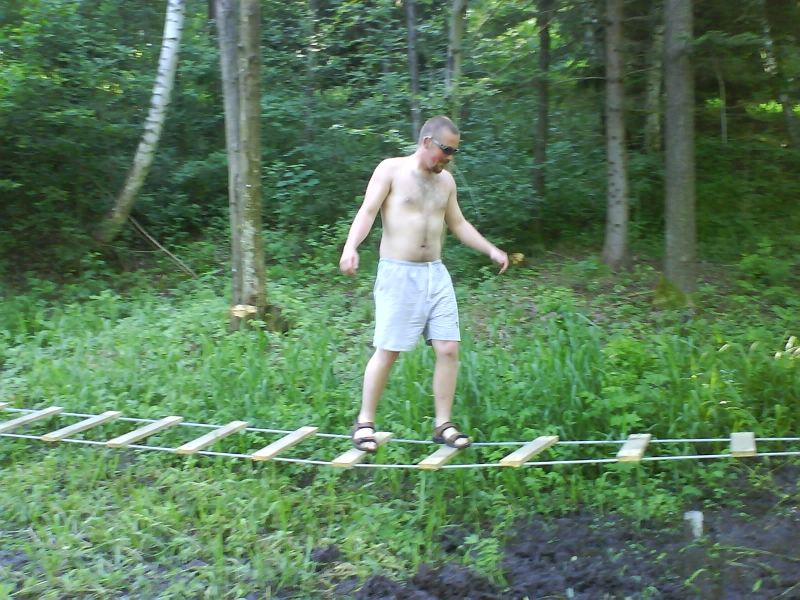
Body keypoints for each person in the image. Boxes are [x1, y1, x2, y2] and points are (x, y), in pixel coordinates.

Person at [338, 115, 509, 452]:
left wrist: (491, 249)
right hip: (398, 273)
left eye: (455, 152)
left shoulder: (446, 182)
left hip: (435, 273)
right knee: (389, 350)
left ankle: (443, 424)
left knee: (448, 348)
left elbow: (458, 224)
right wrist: (350, 247)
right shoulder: (391, 170)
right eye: (446, 150)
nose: (449, 158)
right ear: (427, 142)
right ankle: (364, 422)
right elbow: (368, 211)